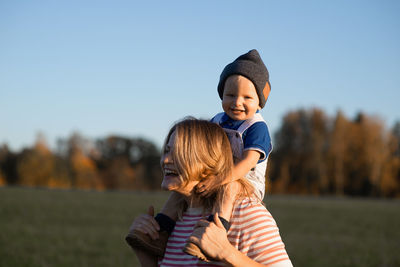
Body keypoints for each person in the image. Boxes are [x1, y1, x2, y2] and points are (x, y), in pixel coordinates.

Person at [127, 49, 273, 261]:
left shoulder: (256, 128)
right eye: (230, 95)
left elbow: (249, 160)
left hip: (244, 181)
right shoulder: (218, 120)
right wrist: (145, 256)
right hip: (217, 174)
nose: (237, 102)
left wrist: (227, 253)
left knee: (229, 187)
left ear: (259, 102)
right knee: (178, 192)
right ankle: (159, 234)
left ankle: (216, 230)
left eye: (247, 97)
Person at [126, 118, 292, 266]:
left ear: (207, 161)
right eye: (167, 150)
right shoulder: (174, 221)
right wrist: (144, 254)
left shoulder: (245, 213)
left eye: (179, 152)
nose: (166, 160)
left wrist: (228, 254)